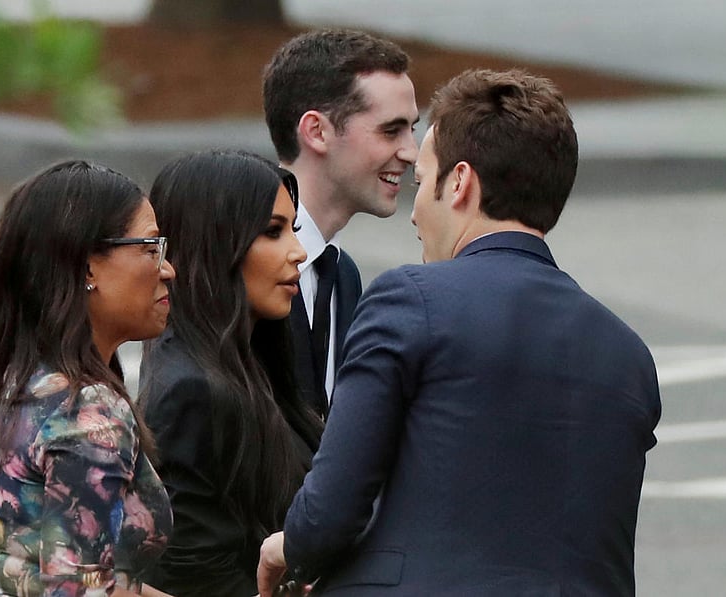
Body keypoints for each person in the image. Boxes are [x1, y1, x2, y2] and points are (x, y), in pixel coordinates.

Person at [257, 69, 662, 596]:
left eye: (422, 184)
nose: (415, 213)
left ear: (460, 182)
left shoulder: (411, 300)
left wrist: (284, 549)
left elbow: (332, 509)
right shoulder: (628, 354)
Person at [0, 160, 177, 596]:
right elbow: (80, 590)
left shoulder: (27, 382)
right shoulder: (88, 411)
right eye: (150, 247)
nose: (167, 268)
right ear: (86, 268)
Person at [139, 150, 324, 597]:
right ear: (216, 243)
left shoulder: (249, 359)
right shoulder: (192, 389)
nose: (298, 253)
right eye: (273, 232)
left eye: (293, 230)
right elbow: (193, 577)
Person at [262, 29, 419, 417]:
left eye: (411, 129)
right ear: (317, 131)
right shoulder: (242, 263)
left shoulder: (343, 276)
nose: (411, 153)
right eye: (390, 130)